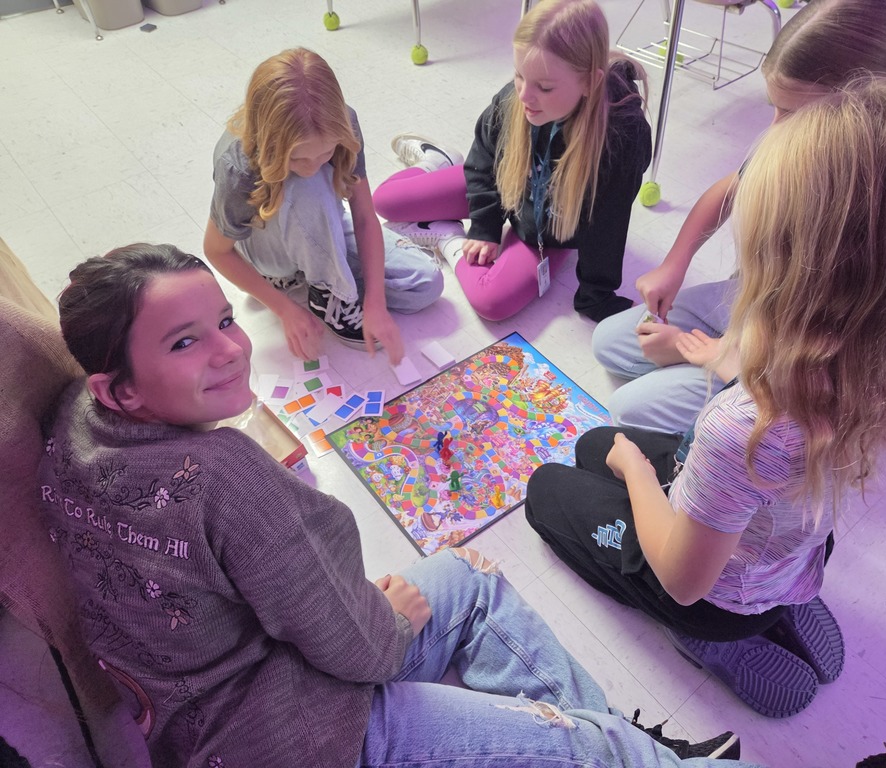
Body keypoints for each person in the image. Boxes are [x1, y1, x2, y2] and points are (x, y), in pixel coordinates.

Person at [39, 243, 748, 767]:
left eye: (225, 319)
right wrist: (388, 621)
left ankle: (630, 746)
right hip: (300, 739)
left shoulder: (74, 422)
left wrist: (361, 614)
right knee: (589, 750)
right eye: (185, 342)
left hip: (211, 719)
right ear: (118, 389)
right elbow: (364, 650)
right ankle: (627, 752)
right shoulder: (226, 475)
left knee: (468, 581)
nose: (229, 350)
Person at [525, 76, 886, 717]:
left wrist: (637, 472)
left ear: (782, 263)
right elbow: (770, 384)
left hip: (710, 597)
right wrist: (705, 355)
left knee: (548, 488)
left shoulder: (739, 428)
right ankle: (786, 596)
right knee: (595, 443)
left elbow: (683, 578)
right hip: (788, 549)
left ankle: (714, 640)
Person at [591, 0, 886, 433]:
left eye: (794, 114)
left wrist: (713, 354)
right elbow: (731, 188)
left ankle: (725, 380)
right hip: (756, 302)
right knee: (609, 343)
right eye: (775, 106)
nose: (775, 128)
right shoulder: (799, 140)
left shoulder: (878, 204)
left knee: (630, 409)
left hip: (800, 352)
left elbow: (818, 342)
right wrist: (675, 264)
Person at [372, 0, 652, 323]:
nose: (524, 96)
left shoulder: (621, 137)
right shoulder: (518, 96)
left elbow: (608, 223)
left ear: (589, 83)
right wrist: (485, 227)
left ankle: (446, 236)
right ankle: (439, 159)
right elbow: (484, 159)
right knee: (385, 200)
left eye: (544, 87)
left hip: (551, 226)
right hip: (505, 182)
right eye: (519, 75)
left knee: (491, 301)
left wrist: (596, 296)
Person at [203, 48, 442, 364]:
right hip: (266, 249)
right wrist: (283, 309)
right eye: (297, 158)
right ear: (269, 140)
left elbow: (364, 216)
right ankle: (323, 289)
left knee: (425, 284)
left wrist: (375, 303)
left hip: (318, 221)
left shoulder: (343, 122)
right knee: (310, 186)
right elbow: (216, 250)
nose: (311, 166)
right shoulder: (237, 165)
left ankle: (317, 277)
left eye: (326, 153)